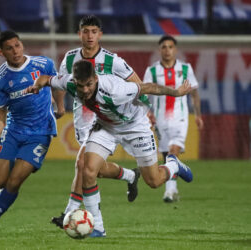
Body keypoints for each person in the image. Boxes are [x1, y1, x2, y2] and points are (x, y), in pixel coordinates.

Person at [26, 60, 194, 237]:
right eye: (80, 85)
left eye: (89, 84)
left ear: (96, 78)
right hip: (106, 127)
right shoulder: (69, 82)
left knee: (154, 181)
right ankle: (98, 227)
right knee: (88, 170)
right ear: (74, 81)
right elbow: (45, 78)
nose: (85, 90)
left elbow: (148, 87)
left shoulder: (115, 89)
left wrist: (176, 92)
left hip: (135, 126)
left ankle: (174, 164)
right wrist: (36, 86)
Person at [51, 15, 144, 230]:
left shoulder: (113, 61)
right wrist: (60, 106)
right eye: (86, 31)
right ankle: (130, 175)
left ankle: (72, 213)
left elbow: (137, 83)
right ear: (79, 34)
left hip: (105, 120)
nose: (90, 35)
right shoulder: (70, 58)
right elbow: (58, 83)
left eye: (94, 31)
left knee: (82, 164)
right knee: (94, 169)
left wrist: (142, 110)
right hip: (81, 118)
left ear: (100, 34)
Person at [0, 30, 63, 238]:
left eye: (18, 46)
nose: (15, 51)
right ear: (1, 52)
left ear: (22, 45)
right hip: (13, 131)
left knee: (14, 182)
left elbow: (58, 85)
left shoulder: (43, 64)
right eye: (9, 48)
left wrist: (62, 107)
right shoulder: (1, 78)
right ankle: (15, 164)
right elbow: (0, 112)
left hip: (40, 133)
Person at [143, 35, 204, 203]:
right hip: (160, 119)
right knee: (166, 155)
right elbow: (145, 94)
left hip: (180, 118)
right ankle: (174, 188)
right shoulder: (152, 71)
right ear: (159, 50)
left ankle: (169, 192)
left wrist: (198, 115)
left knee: (173, 150)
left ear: (175, 50)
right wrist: (147, 113)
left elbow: (194, 94)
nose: (167, 50)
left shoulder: (186, 69)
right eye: (164, 47)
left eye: (170, 47)